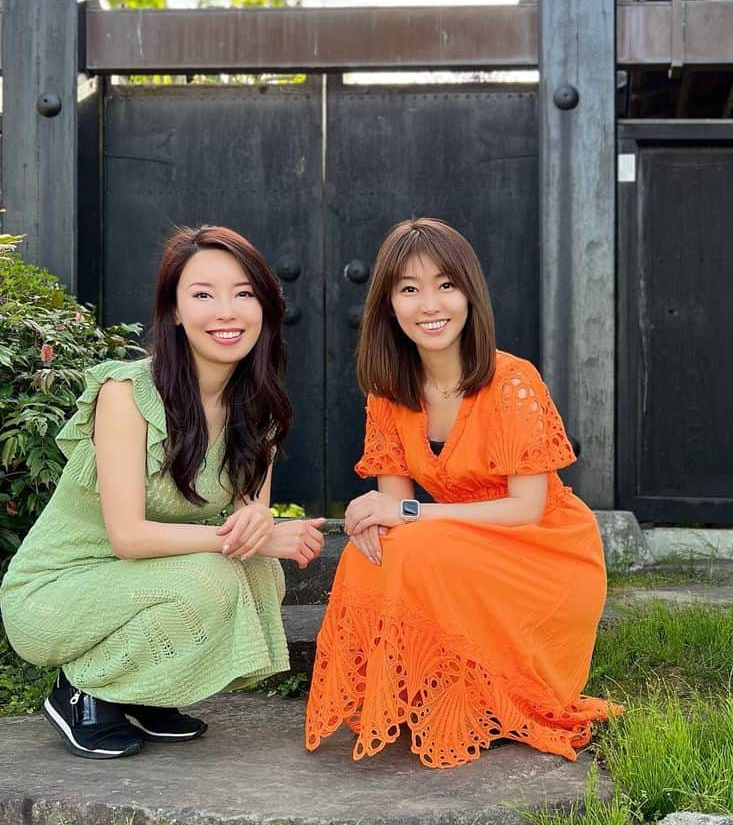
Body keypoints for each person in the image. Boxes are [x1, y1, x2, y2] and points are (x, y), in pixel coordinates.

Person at [0, 225, 325, 759]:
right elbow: (127, 537)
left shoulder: (259, 405)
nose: (226, 311)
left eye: (243, 293)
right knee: (216, 572)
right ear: (174, 310)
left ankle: (143, 694)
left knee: (258, 572)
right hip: (56, 591)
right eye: (203, 295)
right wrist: (255, 538)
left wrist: (263, 529)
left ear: (264, 307)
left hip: (135, 585)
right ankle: (81, 692)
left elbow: (251, 522)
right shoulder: (128, 393)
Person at [305, 216, 618, 769]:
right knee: (369, 558)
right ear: (388, 305)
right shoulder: (388, 391)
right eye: (409, 289)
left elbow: (526, 507)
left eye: (446, 285)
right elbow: (393, 514)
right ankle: (421, 693)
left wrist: (404, 512)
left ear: (470, 294)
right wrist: (377, 520)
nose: (430, 304)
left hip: (543, 551)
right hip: (464, 545)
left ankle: (495, 694)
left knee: (422, 546)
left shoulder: (513, 381)